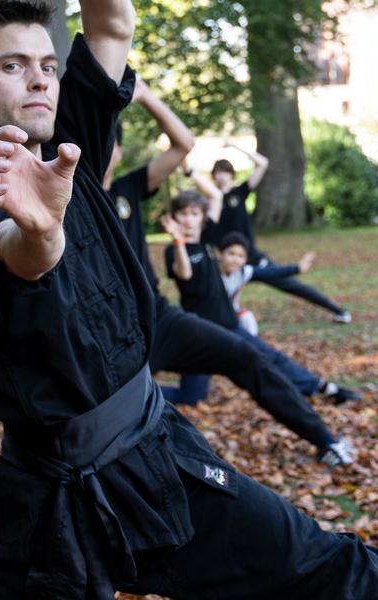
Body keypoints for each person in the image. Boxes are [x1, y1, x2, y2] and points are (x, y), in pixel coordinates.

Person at [0, 1, 378, 596]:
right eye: (12, 66)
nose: (40, 77)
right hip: (54, 497)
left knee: (336, 571)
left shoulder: (72, 150)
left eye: (47, 64)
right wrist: (41, 230)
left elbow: (113, 24)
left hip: (154, 448)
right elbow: (18, 252)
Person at [106, 82, 357, 466]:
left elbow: (181, 144)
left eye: (109, 140)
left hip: (160, 319)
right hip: (113, 336)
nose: (103, 148)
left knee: (250, 358)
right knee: (123, 419)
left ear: (119, 149)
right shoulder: (65, 195)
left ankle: (325, 440)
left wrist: (144, 96)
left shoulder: (128, 189)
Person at [165, 194, 363, 408]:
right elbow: (184, 274)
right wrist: (178, 242)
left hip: (228, 326)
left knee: (270, 357)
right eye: (182, 214)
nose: (188, 219)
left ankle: (324, 388)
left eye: (194, 214)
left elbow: (214, 197)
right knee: (191, 397)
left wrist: (297, 268)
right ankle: (138, 393)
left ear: (202, 219)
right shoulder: (174, 251)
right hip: (200, 334)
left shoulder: (209, 243)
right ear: (174, 217)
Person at [193, 147, 353, 323]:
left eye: (226, 172)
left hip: (250, 257)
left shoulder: (240, 192)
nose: (222, 176)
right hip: (225, 261)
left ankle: (338, 311)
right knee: (211, 294)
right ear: (213, 176)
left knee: (288, 283)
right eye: (218, 173)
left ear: (232, 175)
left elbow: (262, 163)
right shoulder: (210, 203)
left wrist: (234, 145)